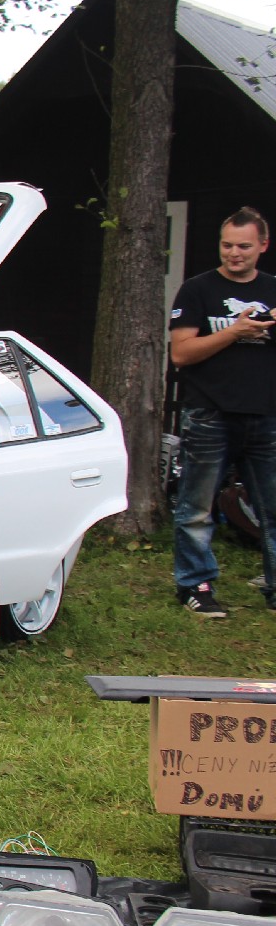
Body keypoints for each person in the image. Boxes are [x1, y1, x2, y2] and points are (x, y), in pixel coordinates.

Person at [169, 207, 276, 618]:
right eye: (227, 245)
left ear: (263, 246)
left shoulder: (273, 289)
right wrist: (235, 331)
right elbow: (181, 353)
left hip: (266, 415)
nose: (234, 253)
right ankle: (195, 586)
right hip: (209, 414)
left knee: (272, 508)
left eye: (243, 246)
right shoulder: (197, 290)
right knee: (196, 508)